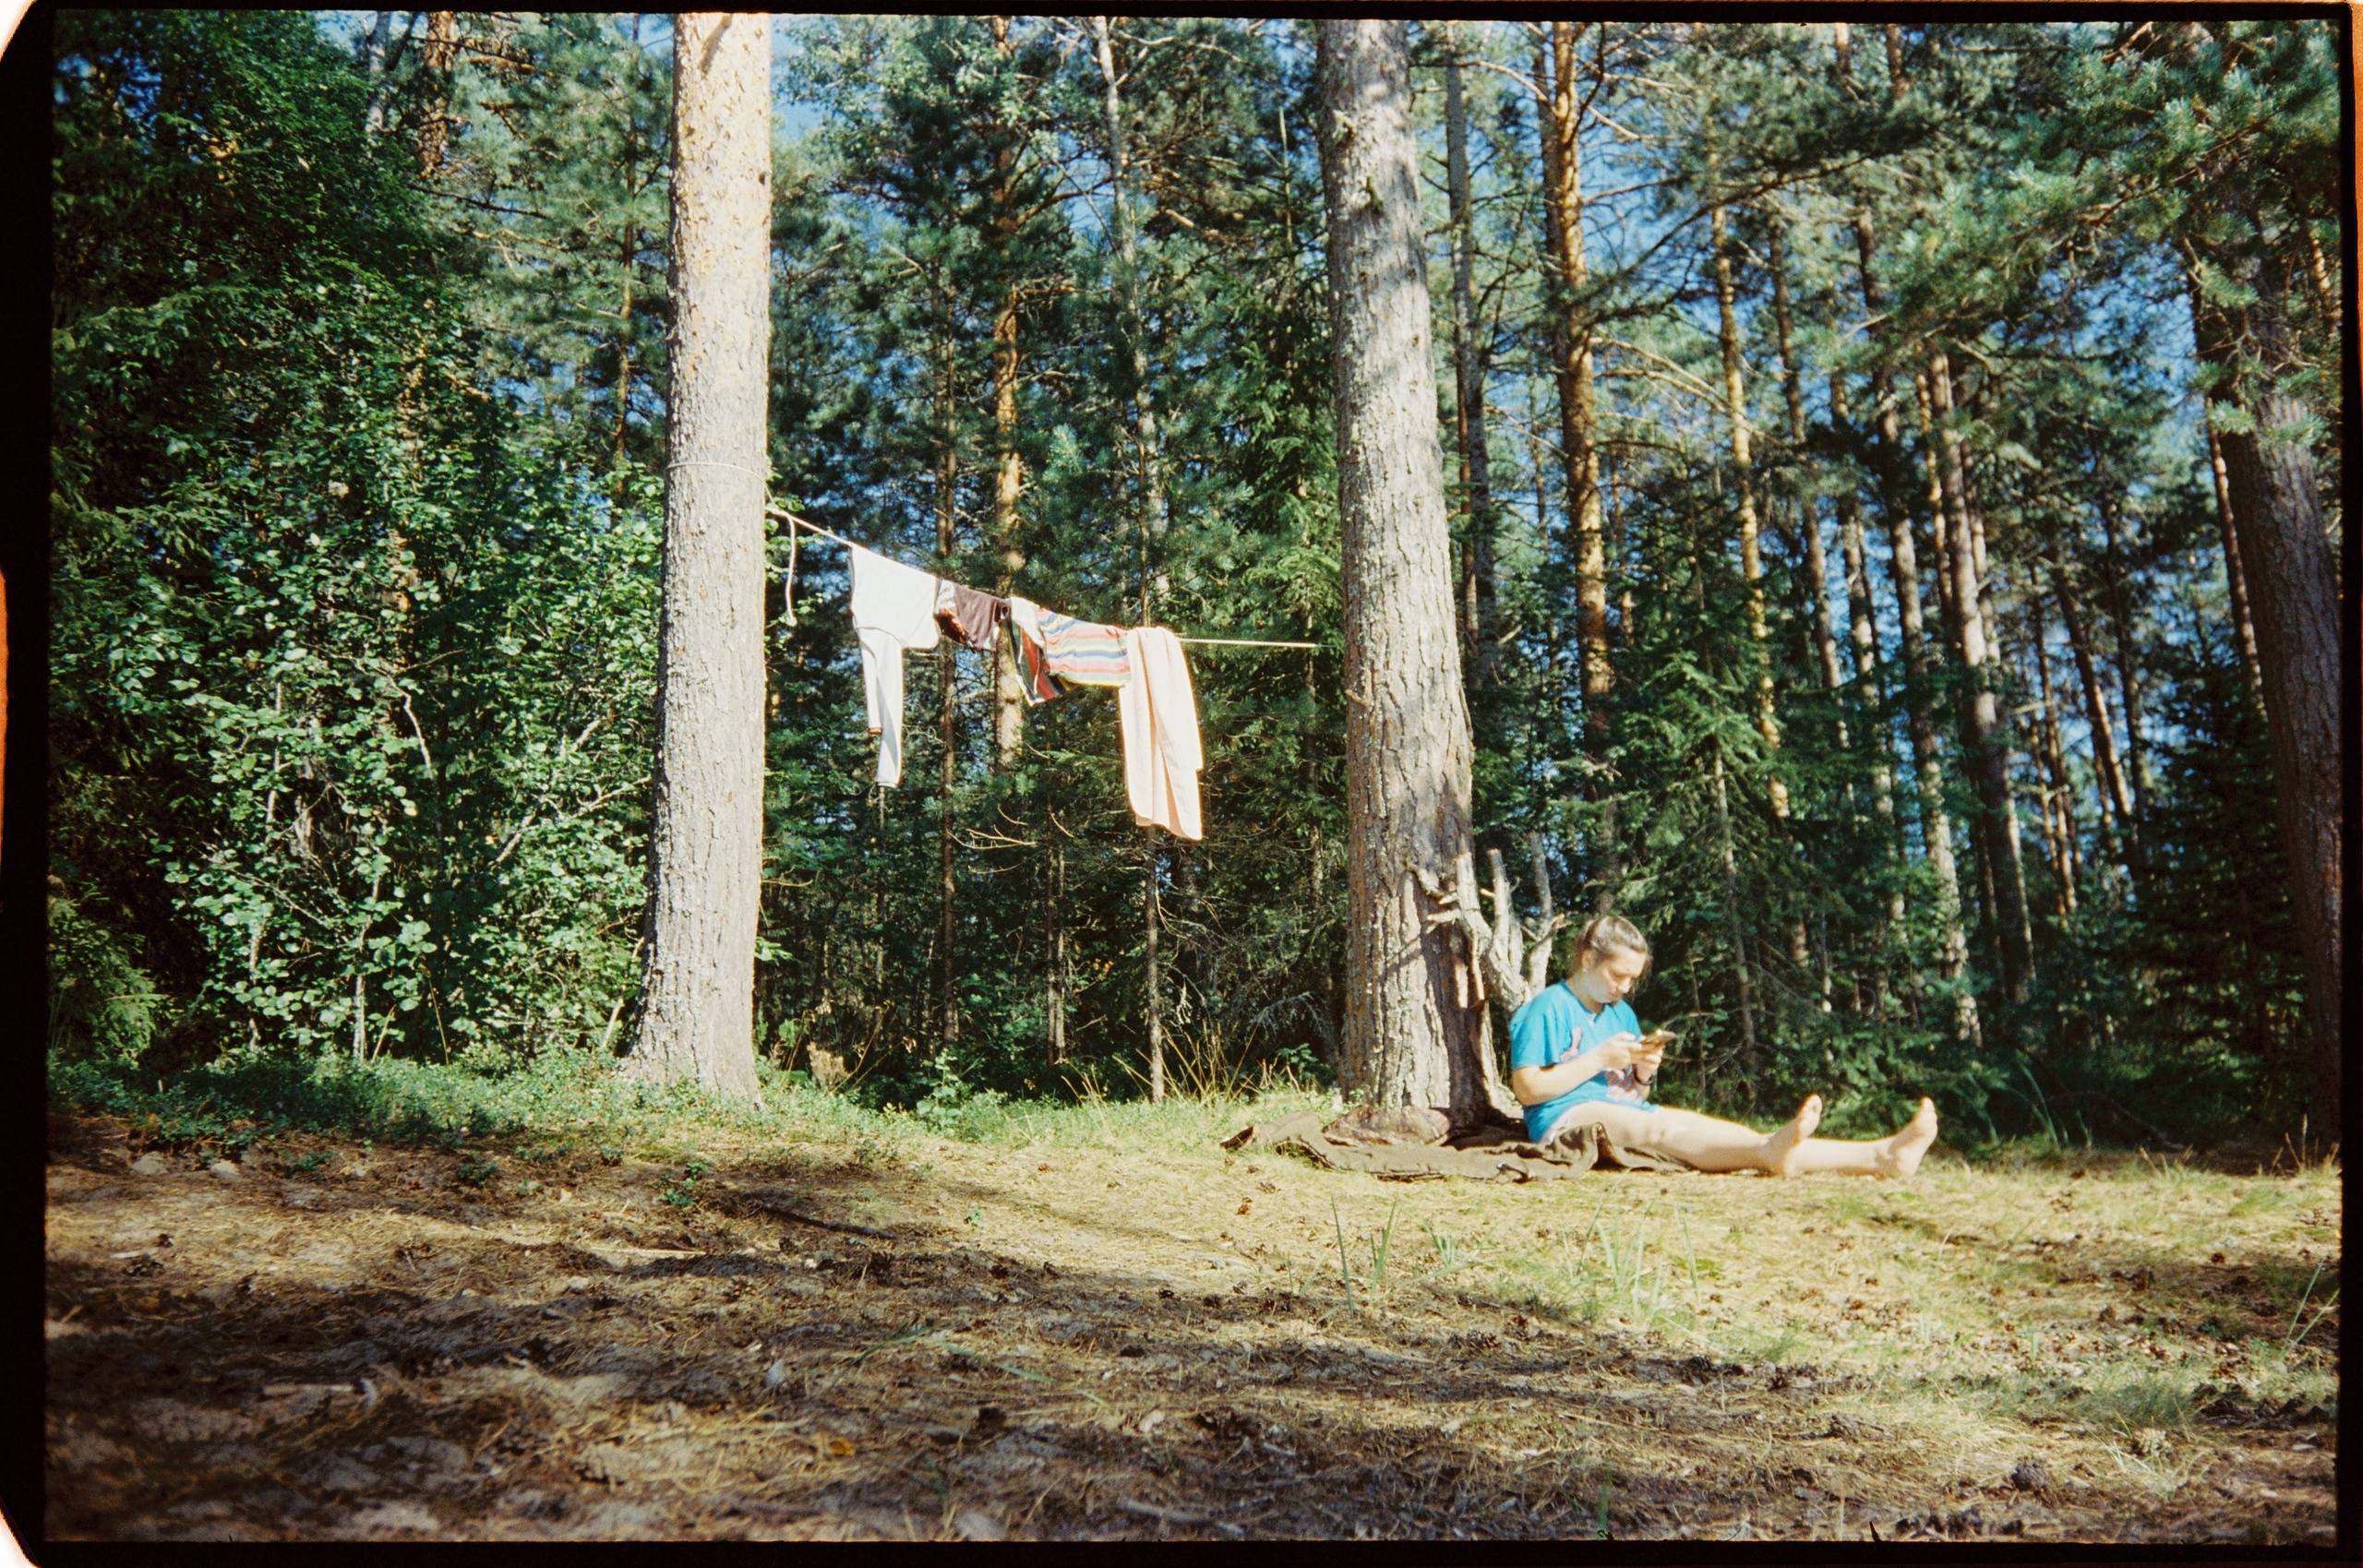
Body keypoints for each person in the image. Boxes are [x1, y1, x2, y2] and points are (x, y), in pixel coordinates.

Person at [1507, 915, 1940, 1179]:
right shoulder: (1547, 1008)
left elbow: (1633, 1097)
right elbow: (1527, 1090)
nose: (1625, 987)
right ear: (1587, 960)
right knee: (1660, 1130)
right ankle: (1771, 1151)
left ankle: (1882, 1156)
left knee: (1697, 1129)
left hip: (1621, 1112)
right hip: (1562, 1121)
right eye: (1617, 975)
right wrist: (1598, 1059)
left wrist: (1643, 1073)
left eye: (1633, 979)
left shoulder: (1620, 1014)